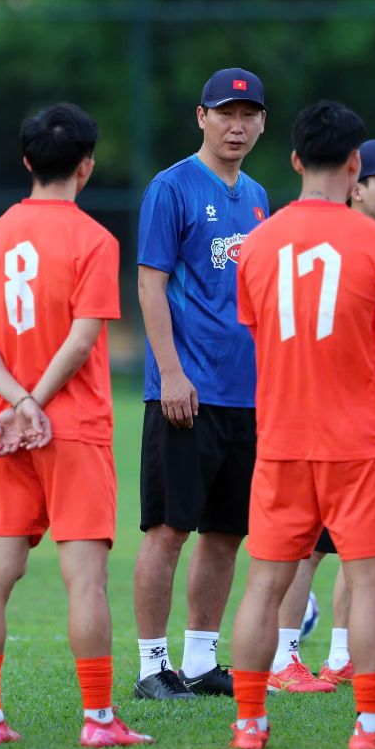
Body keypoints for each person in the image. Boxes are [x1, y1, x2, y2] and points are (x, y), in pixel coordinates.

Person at [229, 100, 375, 749]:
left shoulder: (256, 243)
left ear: (291, 160)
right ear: (351, 165)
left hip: (281, 437)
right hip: (361, 438)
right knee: (371, 583)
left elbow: (256, 334)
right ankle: (370, 725)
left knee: (264, 582)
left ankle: (250, 722)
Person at [0, 103, 152, 749]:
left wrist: (14, 401)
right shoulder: (95, 240)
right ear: (87, 166)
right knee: (86, 579)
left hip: (8, 429)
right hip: (71, 427)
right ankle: (99, 720)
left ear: (26, 161)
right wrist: (37, 402)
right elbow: (83, 338)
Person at [132, 67, 269, 700]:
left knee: (225, 531)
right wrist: (172, 373)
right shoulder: (172, 188)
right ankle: (150, 666)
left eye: (248, 115)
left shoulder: (259, 195)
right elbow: (149, 284)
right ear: (201, 117)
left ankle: (198, 660)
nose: (236, 125)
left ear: (262, 123)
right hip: (185, 393)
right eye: (225, 113)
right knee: (168, 530)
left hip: (246, 394)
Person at [269, 138, 375, 693]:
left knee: (367, 552)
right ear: (355, 187)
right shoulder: (353, 247)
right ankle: (284, 658)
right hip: (330, 424)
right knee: (307, 550)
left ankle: (342, 655)